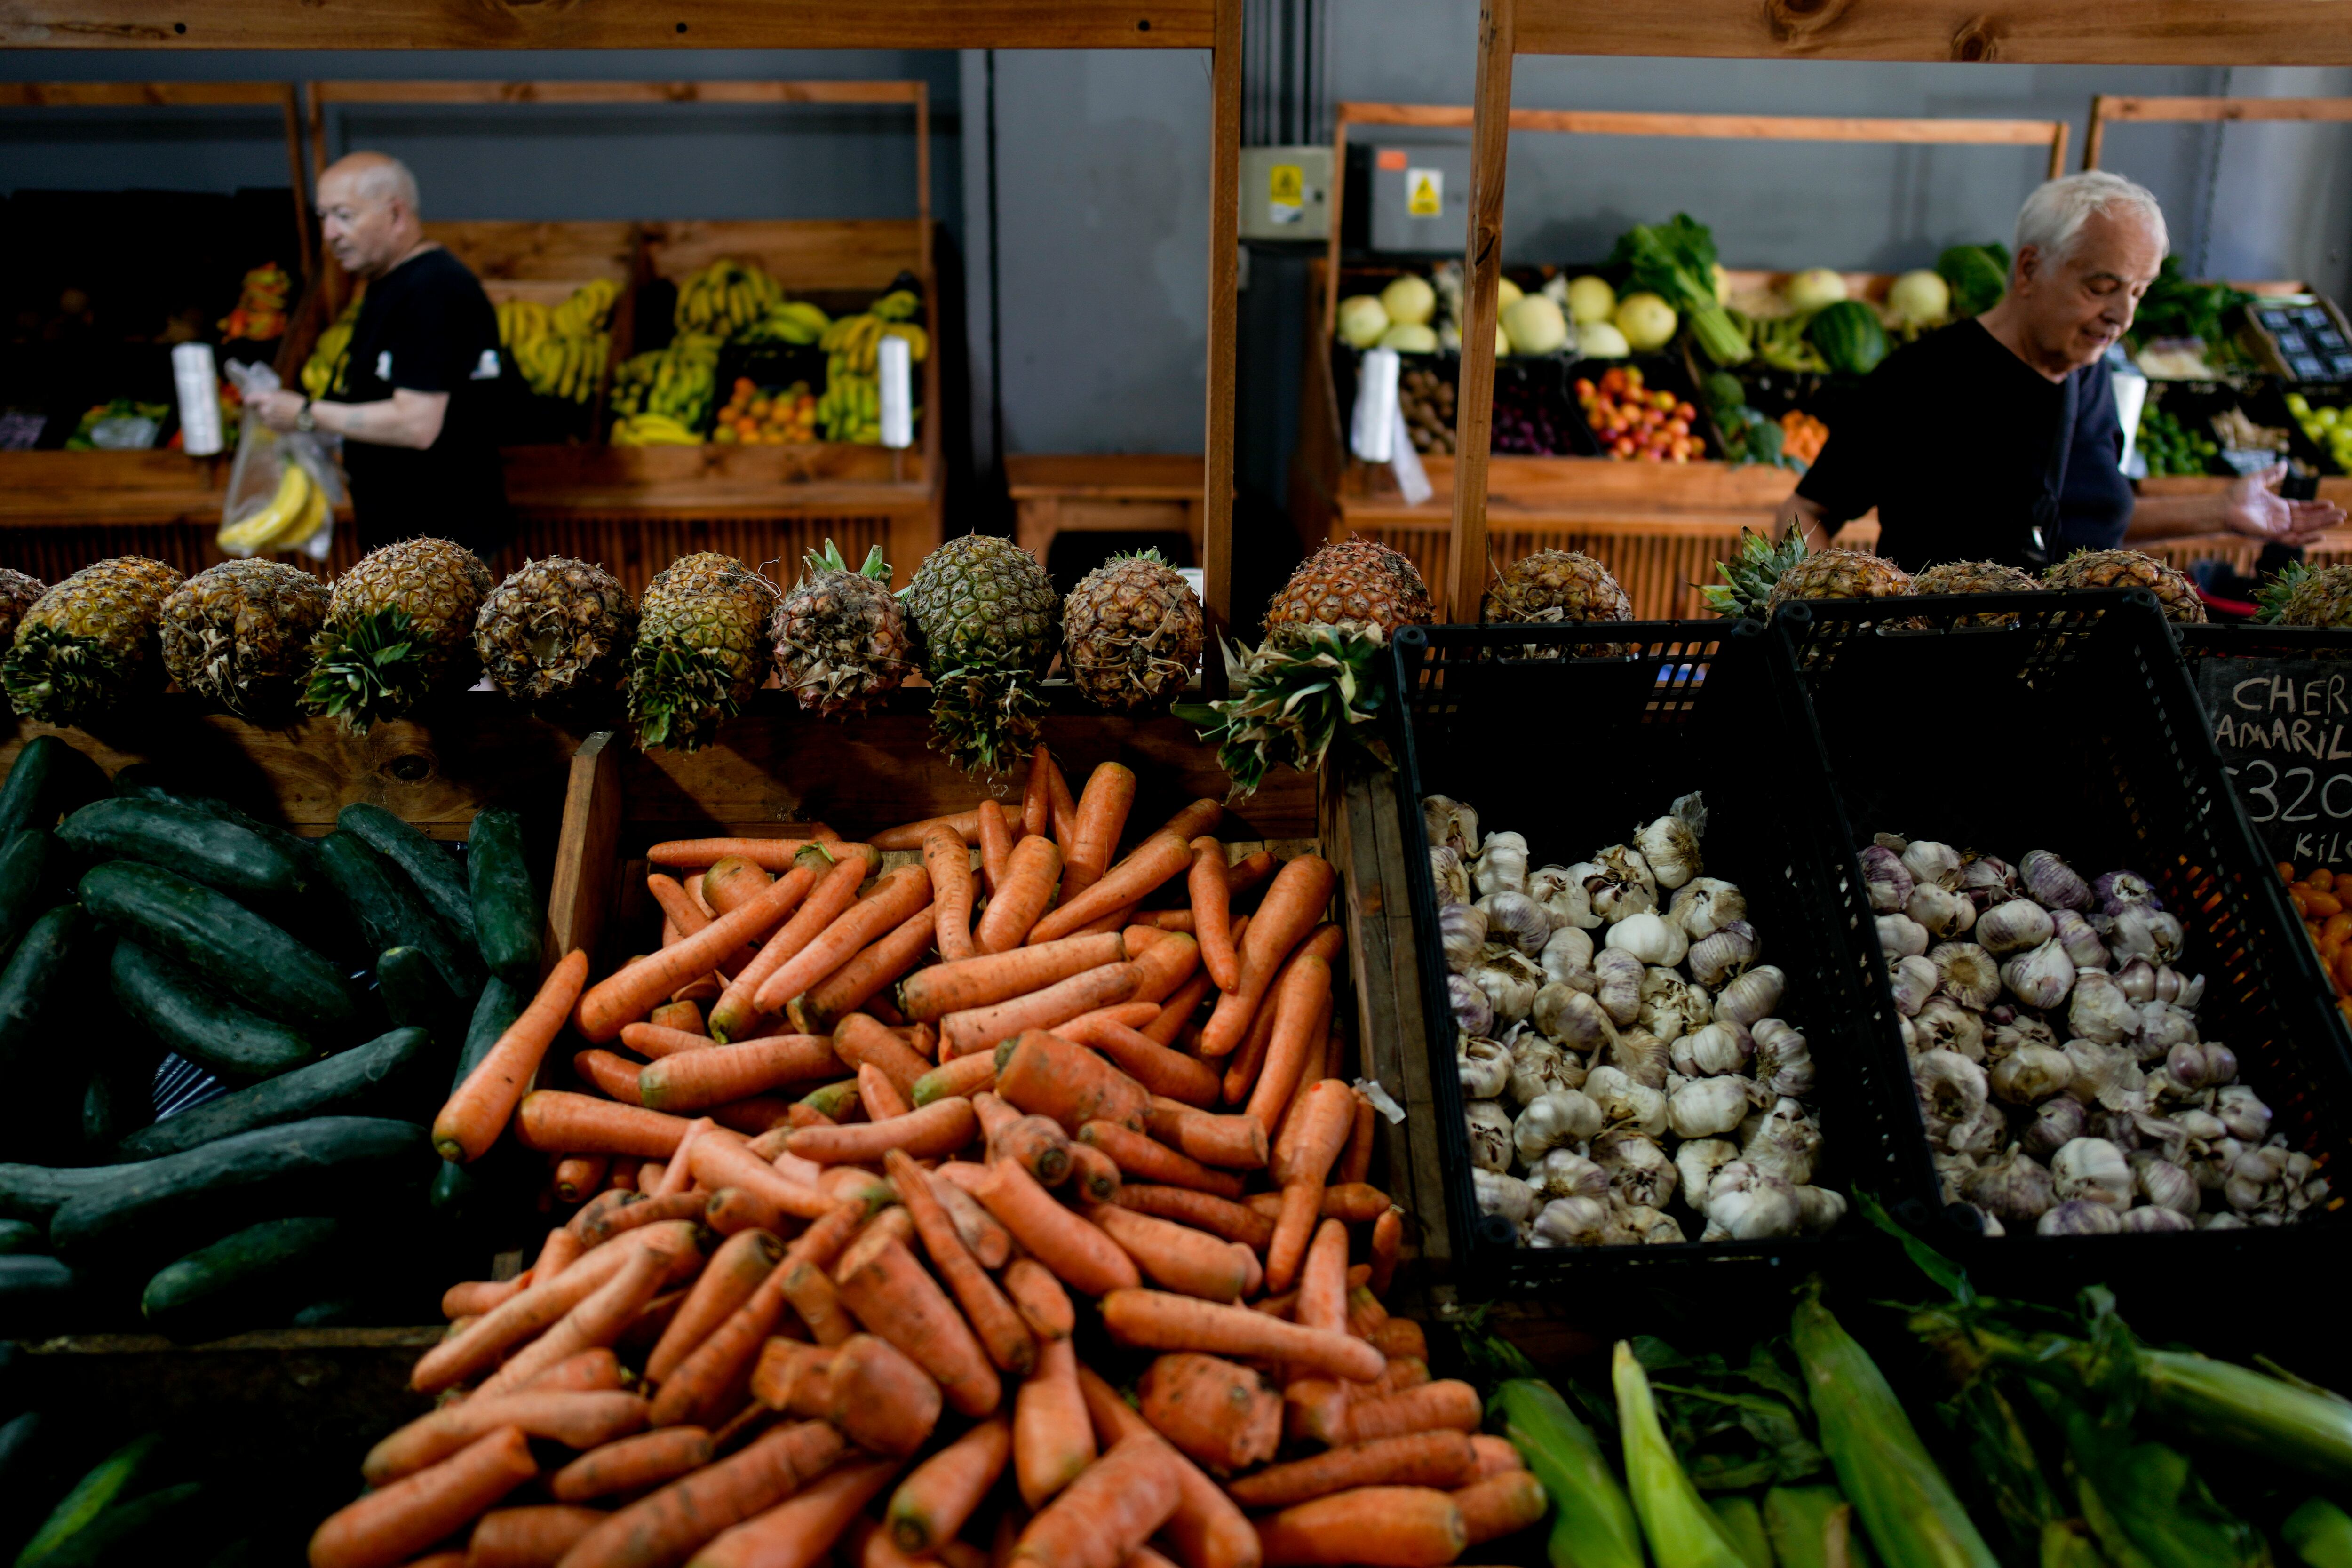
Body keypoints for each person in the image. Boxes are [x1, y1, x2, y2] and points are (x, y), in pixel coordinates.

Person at [1776, 170, 2343, 573]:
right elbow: (1805, 510)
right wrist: (1834, 609)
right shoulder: (1925, 378)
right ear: (2028, 268)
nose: (2121, 316)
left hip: (2058, 681)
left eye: (2138, 293)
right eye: (2101, 287)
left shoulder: (2090, 378)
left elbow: (2074, 526)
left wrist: (2220, 510)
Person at [251, 152, 511, 559]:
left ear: (395, 214)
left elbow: (417, 425)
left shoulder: (433, 289)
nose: (330, 233)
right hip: (405, 541)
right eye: (324, 217)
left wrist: (305, 413)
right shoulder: (388, 281)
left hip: (439, 549)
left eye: (344, 215)